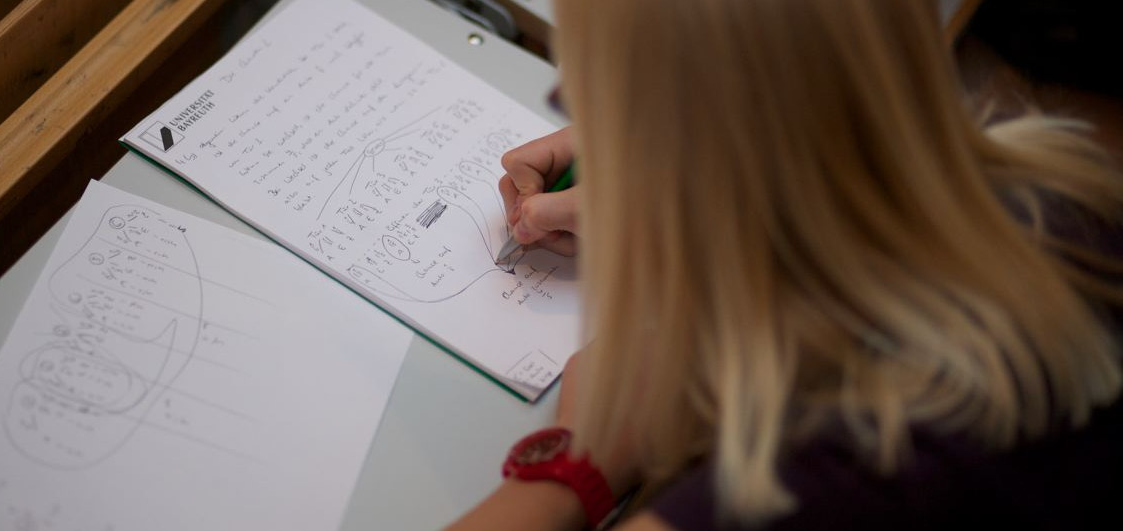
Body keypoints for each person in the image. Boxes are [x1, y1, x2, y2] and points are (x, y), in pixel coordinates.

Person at [447, 0, 1123, 529]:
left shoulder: (837, 475)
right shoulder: (1062, 200)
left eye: (590, 90)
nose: (566, 97)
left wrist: (577, 458)